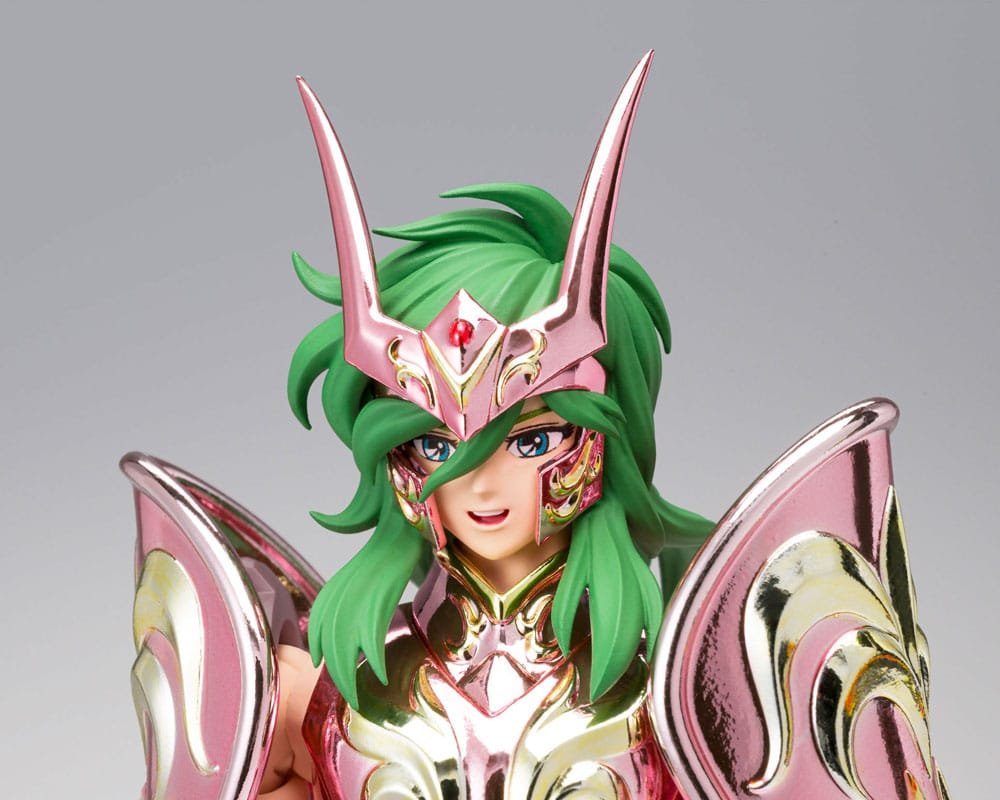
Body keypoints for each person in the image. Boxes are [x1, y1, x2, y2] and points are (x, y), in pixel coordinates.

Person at [257, 53, 712, 798]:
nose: (480, 484)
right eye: (435, 445)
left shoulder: (672, 688)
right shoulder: (347, 681)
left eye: (531, 440)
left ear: (606, 436)